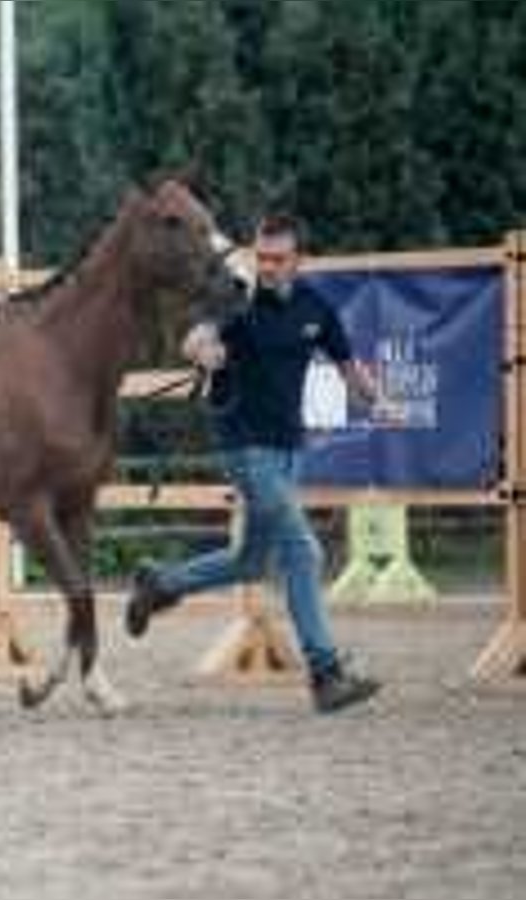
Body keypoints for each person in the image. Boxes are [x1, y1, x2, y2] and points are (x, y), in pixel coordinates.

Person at [123, 213, 390, 714]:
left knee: (251, 561)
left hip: (290, 449)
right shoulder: (237, 301)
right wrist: (206, 353)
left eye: (278, 259)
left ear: (298, 260)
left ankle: (160, 584)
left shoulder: (316, 308)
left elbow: (348, 366)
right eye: (262, 257)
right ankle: (325, 674)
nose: (267, 267)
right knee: (303, 553)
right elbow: (194, 339)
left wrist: (376, 400)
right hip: (245, 448)